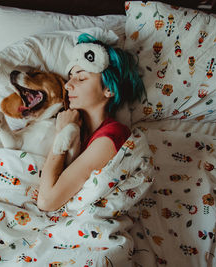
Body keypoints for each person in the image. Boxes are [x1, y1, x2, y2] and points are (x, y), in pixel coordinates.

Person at [37, 33, 145, 211]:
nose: (67, 85)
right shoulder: (82, 133)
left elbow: (47, 201)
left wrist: (61, 133)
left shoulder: (112, 134)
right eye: (70, 77)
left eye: (81, 78)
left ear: (108, 89)